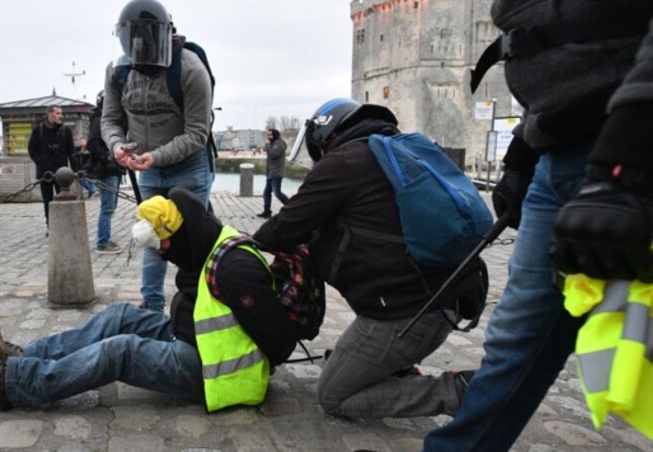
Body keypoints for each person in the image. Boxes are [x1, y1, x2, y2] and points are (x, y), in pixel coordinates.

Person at [423, 5, 653, 451]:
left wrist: (627, 157)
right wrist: (523, 155)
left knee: (633, 343)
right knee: (514, 340)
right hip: (558, 151)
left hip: (625, 145)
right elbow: (555, 55)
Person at [0, 187, 298, 412]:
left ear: (182, 235)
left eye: (165, 246)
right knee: (118, 316)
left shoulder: (235, 268)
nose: (163, 255)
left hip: (212, 371)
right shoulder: (206, 242)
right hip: (191, 337)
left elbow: (280, 342)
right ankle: (26, 356)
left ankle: (10, 383)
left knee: (121, 350)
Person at [253, 98, 486, 420]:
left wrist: (241, 242)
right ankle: (393, 367)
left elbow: (281, 229)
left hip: (406, 319)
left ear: (325, 136)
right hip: (447, 303)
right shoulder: (393, 152)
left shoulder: (345, 161)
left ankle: (460, 391)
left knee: (334, 396)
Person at [102, 0, 214, 313]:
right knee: (151, 237)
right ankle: (152, 306)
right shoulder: (118, 72)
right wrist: (116, 146)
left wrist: (156, 156)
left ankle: (197, 304)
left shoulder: (191, 69)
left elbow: (197, 133)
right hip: (146, 167)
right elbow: (110, 119)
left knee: (192, 240)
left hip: (188, 166)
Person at [86, 91, 126, 254]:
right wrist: (108, 158)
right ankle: (102, 242)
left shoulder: (107, 119)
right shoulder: (99, 120)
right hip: (105, 170)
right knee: (107, 207)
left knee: (110, 207)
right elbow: (92, 144)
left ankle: (105, 238)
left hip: (113, 169)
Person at [28, 106, 74, 232]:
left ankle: (64, 224)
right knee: (47, 200)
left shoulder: (66, 131)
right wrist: (41, 162)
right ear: (50, 114)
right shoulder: (39, 130)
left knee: (64, 199)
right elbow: (32, 149)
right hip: (46, 173)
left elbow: (71, 152)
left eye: (61, 113)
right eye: (58, 113)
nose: (61, 115)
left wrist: (75, 171)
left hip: (62, 174)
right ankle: (51, 225)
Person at [257, 128, 290, 219]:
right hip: (271, 173)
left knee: (277, 192)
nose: (268, 137)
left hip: (276, 173)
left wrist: (267, 145)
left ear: (275, 135)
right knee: (267, 193)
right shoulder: (273, 143)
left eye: (270, 135)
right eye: (267, 135)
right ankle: (267, 212)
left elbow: (274, 154)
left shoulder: (279, 143)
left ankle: (292, 207)